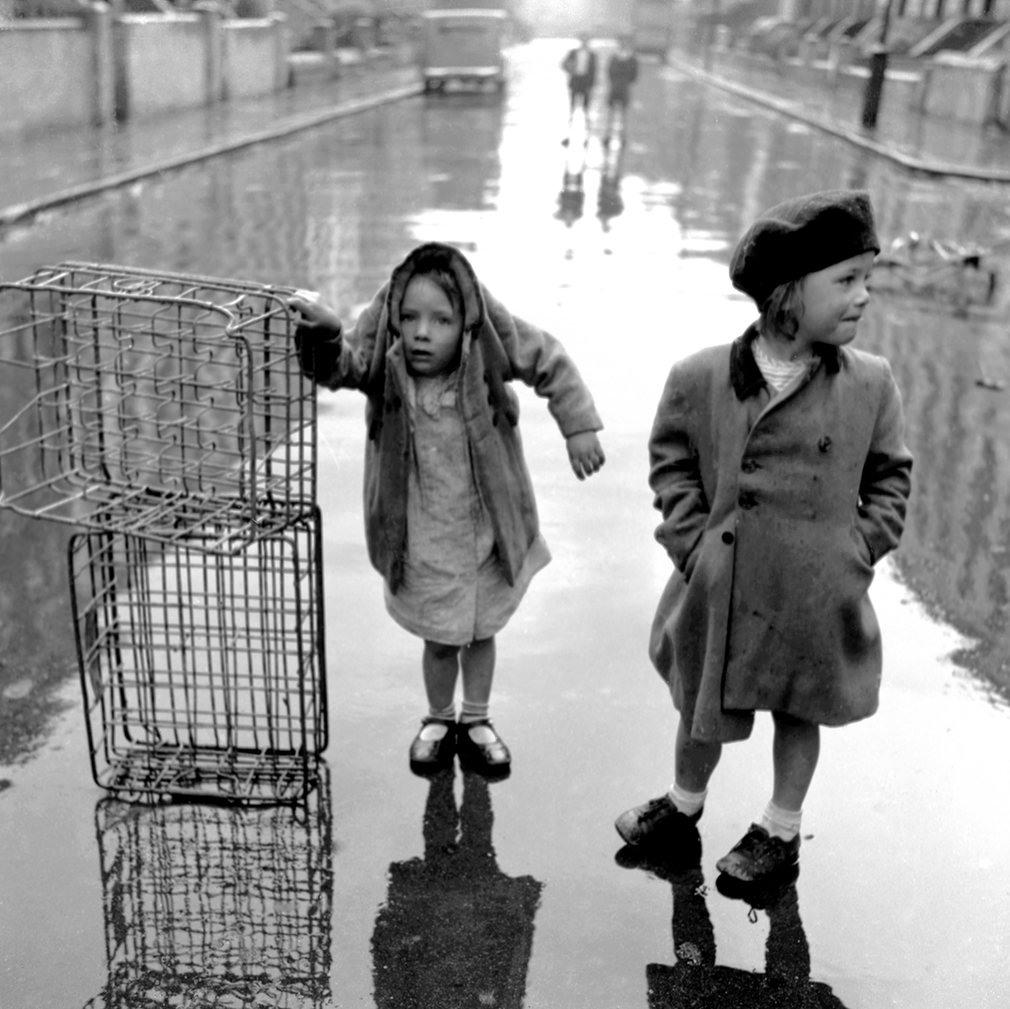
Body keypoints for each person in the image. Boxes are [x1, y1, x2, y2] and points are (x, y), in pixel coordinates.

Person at [614, 190, 913, 885]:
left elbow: (891, 477)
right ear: (787, 293)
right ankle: (683, 806)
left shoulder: (870, 384)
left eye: (867, 278)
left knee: (798, 705)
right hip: (722, 581)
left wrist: (857, 548)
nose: (863, 296)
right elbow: (672, 461)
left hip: (813, 589)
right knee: (700, 700)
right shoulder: (700, 377)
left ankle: (780, 830)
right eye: (846, 280)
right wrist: (691, 544)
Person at [289, 243, 605, 776]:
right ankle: (438, 718)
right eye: (410, 318)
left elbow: (545, 355)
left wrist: (579, 426)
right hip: (420, 528)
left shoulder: (488, 335)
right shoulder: (384, 344)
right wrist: (323, 331)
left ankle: (476, 719)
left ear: (465, 324)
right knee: (440, 637)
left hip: (485, 525)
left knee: (480, 632)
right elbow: (343, 367)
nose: (420, 332)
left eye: (440, 320)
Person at [605, 35, 639, 134]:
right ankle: (608, 133)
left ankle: (622, 135)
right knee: (611, 112)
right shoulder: (614, 57)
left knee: (623, 113)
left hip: (624, 87)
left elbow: (634, 75)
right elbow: (609, 72)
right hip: (615, 87)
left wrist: (625, 81)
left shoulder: (632, 59)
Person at [562, 33, 597, 120]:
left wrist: (592, 83)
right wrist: (570, 70)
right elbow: (564, 64)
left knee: (586, 100)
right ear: (580, 41)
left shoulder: (592, 55)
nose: (585, 42)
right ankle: (571, 117)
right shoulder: (573, 52)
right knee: (573, 99)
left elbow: (594, 70)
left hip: (586, 80)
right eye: (583, 40)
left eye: (586, 40)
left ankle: (586, 117)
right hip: (575, 79)